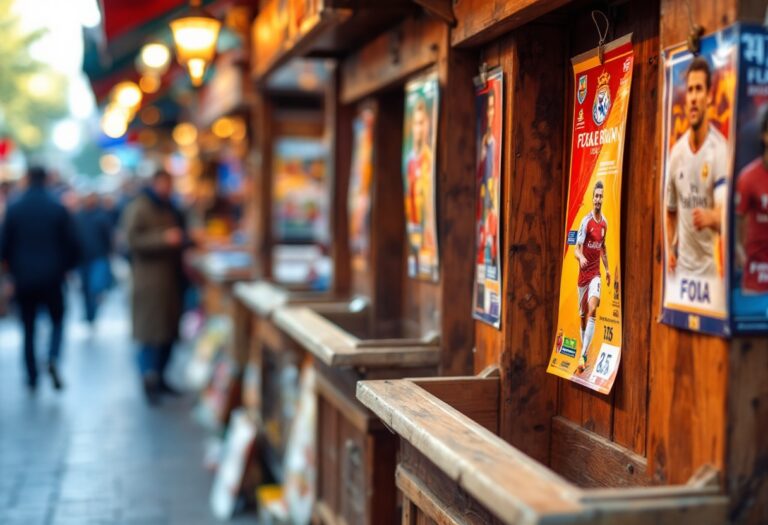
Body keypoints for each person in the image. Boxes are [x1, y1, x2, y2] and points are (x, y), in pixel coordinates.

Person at [0, 166, 80, 391]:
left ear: (27, 179)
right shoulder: (57, 208)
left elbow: (4, 245)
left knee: (28, 327)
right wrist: (66, 267)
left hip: (23, 278)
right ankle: (53, 355)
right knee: (57, 320)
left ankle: (31, 374)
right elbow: (72, 244)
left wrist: (9, 274)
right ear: (46, 179)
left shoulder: (15, 208)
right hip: (52, 277)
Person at [122, 170, 188, 403]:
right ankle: (148, 379)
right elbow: (131, 240)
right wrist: (164, 239)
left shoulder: (167, 206)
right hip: (149, 280)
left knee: (167, 332)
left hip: (170, 279)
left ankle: (161, 378)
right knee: (150, 334)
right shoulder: (140, 207)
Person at [665, 57, 728, 278]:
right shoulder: (676, 154)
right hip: (680, 277)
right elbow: (670, 211)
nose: (693, 97)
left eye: (699, 89)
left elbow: (725, 213)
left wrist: (712, 217)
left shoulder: (720, 149)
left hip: (710, 275)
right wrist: (670, 247)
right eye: (690, 90)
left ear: (709, 96)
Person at [574, 181, 610, 374]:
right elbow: (576, 249)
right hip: (583, 275)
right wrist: (580, 258)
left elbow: (603, 247)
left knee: (593, 309)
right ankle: (583, 350)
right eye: (596, 196)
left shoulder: (604, 223)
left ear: (603, 198)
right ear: (592, 198)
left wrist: (607, 269)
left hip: (595, 273)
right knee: (582, 317)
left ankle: (583, 355)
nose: (598, 199)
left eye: (601, 196)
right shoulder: (585, 222)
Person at [734, 110, 768, 296]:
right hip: (755, 283)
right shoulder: (748, 178)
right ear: (764, 135)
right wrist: (740, 255)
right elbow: (736, 225)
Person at [405, 97, 435, 271]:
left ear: (427, 126)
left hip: (426, 237)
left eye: (422, 123)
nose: (419, 128)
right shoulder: (409, 161)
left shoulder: (428, 161)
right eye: (416, 123)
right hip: (413, 231)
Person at [74, 192, 114, 325]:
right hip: (82, 258)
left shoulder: (101, 216)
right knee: (85, 288)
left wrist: (108, 253)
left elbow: (108, 237)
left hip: (98, 257)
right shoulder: (78, 216)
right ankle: (89, 313)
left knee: (95, 287)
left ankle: (93, 311)